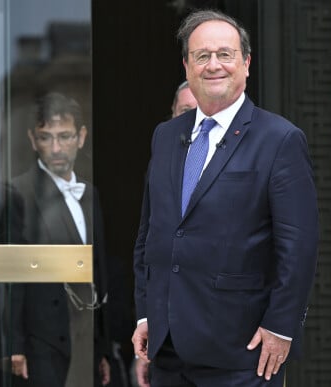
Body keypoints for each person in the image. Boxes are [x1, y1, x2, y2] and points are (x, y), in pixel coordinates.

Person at [131, 9, 319, 387]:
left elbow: (298, 247)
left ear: (246, 63)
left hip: (242, 352)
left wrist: (281, 327)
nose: (213, 65)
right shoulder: (166, 136)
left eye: (225, 54)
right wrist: (146, 314)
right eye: (202, 56)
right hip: (168, 351)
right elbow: (151, 233)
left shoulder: (279, 140)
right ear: (186, 66)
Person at [9, 92, 111, 387]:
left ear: (81, 137)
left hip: (85, 339)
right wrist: (14, 345)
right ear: (32, 140)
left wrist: (102, 345)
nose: (55, 148)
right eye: (46, 137)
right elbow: (9, 278)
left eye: (64, 136)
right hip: (41, 344)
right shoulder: (19, 192)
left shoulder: (91, 194)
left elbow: (99, 271)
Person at [132, 81, 198, 387]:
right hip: (167, 344)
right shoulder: (159, 159)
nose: (194, 118)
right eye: (186, 111)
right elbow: (146, 244)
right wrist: (145, 321)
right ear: (172, 114)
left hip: (222, 342)